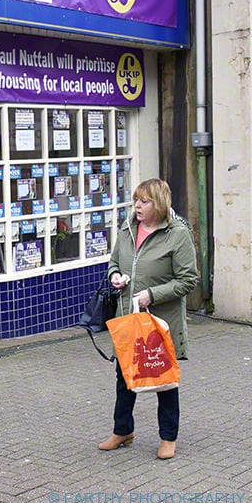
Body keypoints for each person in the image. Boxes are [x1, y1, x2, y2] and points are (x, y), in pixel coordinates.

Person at [100, 178, 198, 460]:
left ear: (159, 203)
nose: (138, 206)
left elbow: (188, 280)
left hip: (160, 323)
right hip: (128, 318)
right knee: (124, 376)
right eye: (136, 200)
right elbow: (114, 262)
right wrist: (115, 276)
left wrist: (151, 295)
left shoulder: (177, 234)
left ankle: (168, 437)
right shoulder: (128, 227)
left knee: (162, 380)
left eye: (144, 201)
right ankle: (123, 430)